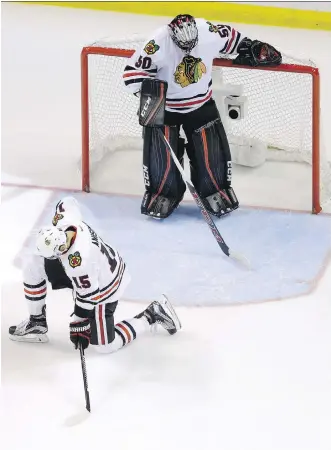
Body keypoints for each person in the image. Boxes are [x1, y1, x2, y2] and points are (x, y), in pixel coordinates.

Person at [123, 14, 281, 219]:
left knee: (212, 152)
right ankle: (162, 193)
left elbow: (232, 39)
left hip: (200, 103)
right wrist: (151, 99)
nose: (187, 50)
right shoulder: (157, 42)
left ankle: (215, 189)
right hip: (166, 108)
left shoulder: (207, 30)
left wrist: (253, 48)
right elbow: (131, 74)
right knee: (161, 158)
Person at [9, 197, 181, 352]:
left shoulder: (79, 263)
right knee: (33, 264)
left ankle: (151, 315)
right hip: (94, 270)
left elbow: (88, 297)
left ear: (60, 249)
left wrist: (78, 325)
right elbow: (68, 202)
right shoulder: (67, 222)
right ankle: (36, 322)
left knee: (105, 347)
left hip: (104, 287)